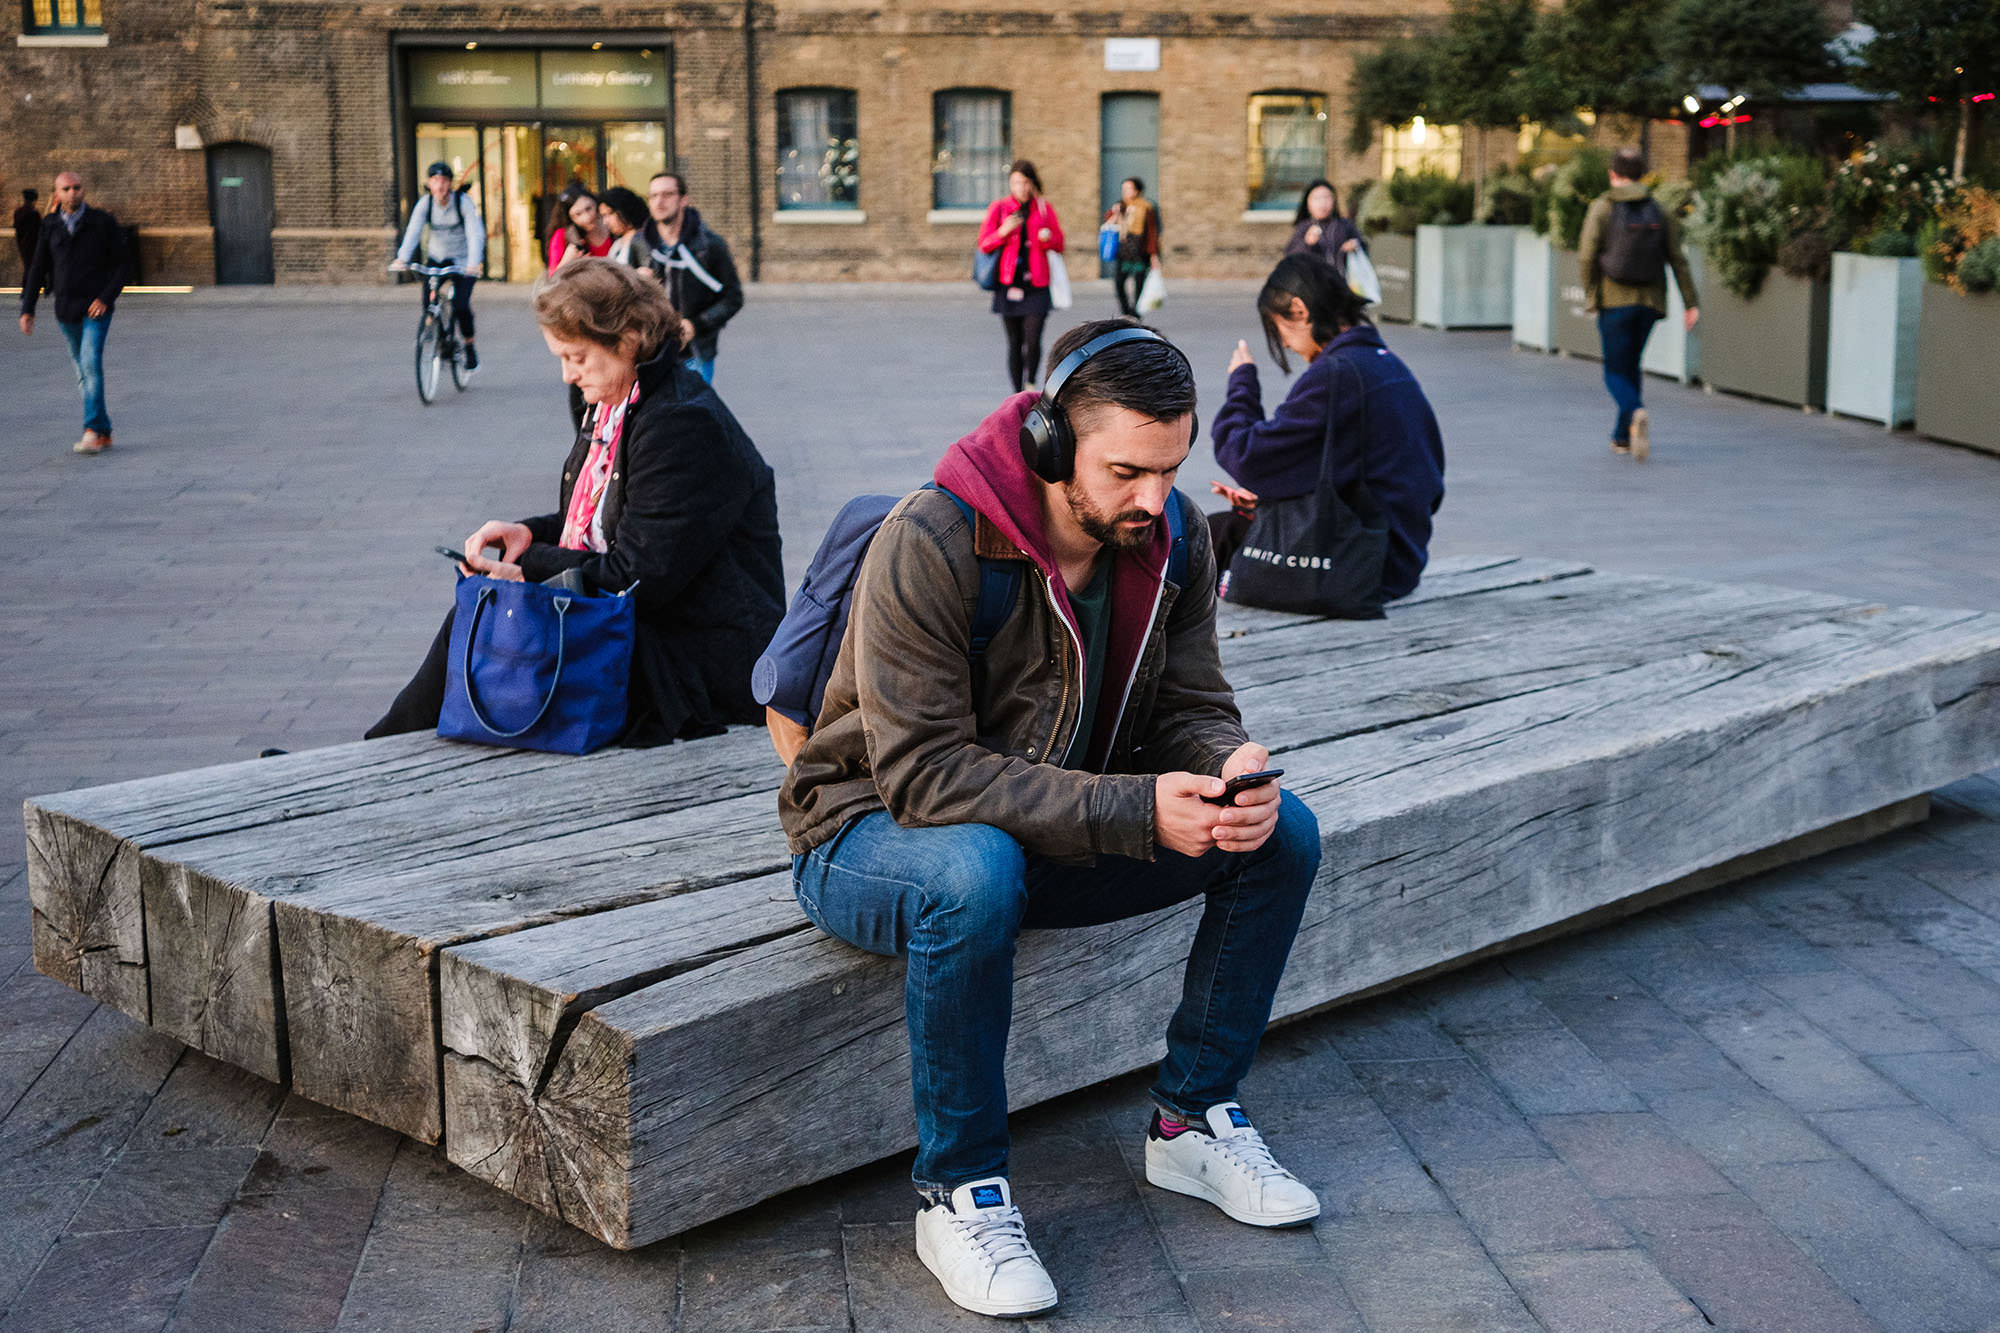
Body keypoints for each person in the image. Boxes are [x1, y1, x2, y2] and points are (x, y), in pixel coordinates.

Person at [781, 319, 1324, 1320]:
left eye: (1170, 468)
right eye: (1125, 471)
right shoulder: (931, 539)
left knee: (1280, 832)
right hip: (864, 835)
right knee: (973, 869)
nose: (1153, 500)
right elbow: (923, 779)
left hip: (1039, 829)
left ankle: (1190, 1122)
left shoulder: (1170, 540)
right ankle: (959, 1192)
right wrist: (1134, 808)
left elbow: (1190, 706)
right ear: (1046, 439)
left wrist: (1223, 767)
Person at [366, 258, 785, 747]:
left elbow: (636, 577)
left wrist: (528, 568)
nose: (567, 375)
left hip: (692, 666)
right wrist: (530, 534)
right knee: (483, 616)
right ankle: (377, 751)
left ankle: (372, 756)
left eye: (577, 357)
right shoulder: (615, 404)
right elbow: (606, 522)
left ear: (628, 339)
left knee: (487, 625)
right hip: (643, 633)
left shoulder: (681, 424)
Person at [1209, 254, 1445, 603]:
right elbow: (1416, 478)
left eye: (1278, 328)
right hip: (1402, 558)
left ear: (1299, 310)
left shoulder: (1338, 375)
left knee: (1199, 537)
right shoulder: (1387, 364)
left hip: (1361, 565)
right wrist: (1269, 496)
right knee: (1233, 525)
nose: (1285, 344)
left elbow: (1244, 455)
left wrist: (1242, 384)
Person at [1580, 147, 1699, 462]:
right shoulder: (1658, 209)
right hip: (1649, 303)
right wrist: (1691, 302)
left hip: (1614, 301)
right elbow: (1677, 258)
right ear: (1643, 175)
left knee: (1614, 372)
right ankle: (1622, 436)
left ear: (1613, 175)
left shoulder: (1602, 208)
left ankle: (1636, 411)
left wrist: (1592, 294)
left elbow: (1586, 255)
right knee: (1631, 366)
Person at [18, 171, 130, 456]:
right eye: (66, 189)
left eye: (77, 187)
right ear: (56, 193)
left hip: (95, 309)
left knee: (90, 362)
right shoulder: (50, 225)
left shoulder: (102, 223)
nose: (72, 193)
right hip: (65, 309)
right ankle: (104, 430)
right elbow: (37, 268)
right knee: (82, 371)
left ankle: (91, 430)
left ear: (84, 190)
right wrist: (27, 309)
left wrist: (105, 298)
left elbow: (123, 265)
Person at [642, 172, 743, 385]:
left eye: (667, 194)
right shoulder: (640, 245)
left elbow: (733, 297)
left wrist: (696, 324)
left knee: (690, 416)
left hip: (693, 354)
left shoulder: (709, 246)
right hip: (648, 354)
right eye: (653, 196)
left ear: (683, 200)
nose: (659, 202)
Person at [977, 160, 1065, 393]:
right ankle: (1017, 392)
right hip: (1008, 285)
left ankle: (1031, 382)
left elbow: (1060, 243)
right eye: (1016, 182)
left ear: (1032, 182)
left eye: (1025, 182)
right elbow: (984, 244)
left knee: (1033, 339)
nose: (1021, 187)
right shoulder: (999, 208)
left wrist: (1047, 239)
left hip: (1036, 285)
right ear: (1010, 183)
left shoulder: (1044, 209)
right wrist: (1002, 232)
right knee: (1014, 342)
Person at [391, 161, 486, 371]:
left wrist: (473, 263)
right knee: (427, 302)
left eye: (444, 181)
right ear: (429, 184)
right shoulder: (425, 204)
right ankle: (443, 340)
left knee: (461, 305)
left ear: (450, 184)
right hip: (437, 258)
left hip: (463, 261)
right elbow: (413, 230)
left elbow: (474, 233)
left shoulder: (463, 203)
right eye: (435, 181)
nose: (440, 186)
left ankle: (469, 347)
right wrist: (402, 258)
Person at [1102, 176, 1160, 318]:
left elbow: (1152, 232)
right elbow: (1108, 221)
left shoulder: (1147, 207)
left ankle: (1135, 313)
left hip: (1140, 251)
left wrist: (1154, 255)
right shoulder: (1121, 205)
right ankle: (1126, 311)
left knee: (1139, 284)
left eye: (1129, 188)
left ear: (1137, 190)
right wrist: (1115, 212)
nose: (1125, 192)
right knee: (1119, 282)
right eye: (1124, 189)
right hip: (1124, 251)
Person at [1283, 179, 1364, 279]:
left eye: (1327, 197)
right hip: (1314, 287)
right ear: (1308, 203)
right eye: (1316, 198)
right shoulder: (1302, 228)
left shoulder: (1344, 225)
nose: (1323, 203)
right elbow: (1290, 258)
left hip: (1343, 285)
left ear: (1334, 200)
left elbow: (1363, 244)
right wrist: (1307, 243)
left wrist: (1355, 244)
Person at [548, 187, 613, 272]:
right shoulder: (563, 236)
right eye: (578, 214)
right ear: (570, 219)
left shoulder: (614, 226)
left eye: (589, 208)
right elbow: (552, 279)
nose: (587, 217)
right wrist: (567, 262)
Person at [600, 186, 653, 271]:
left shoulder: (641, 239)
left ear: (625, 209)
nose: (605, 221)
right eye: (603, 215)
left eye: (610, 213)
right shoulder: (617, 243)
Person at [12, 187, 40, 271]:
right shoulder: (34, 214)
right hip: (32, 245)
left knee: (27, 267)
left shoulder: (18, 212)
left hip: (22, 244)